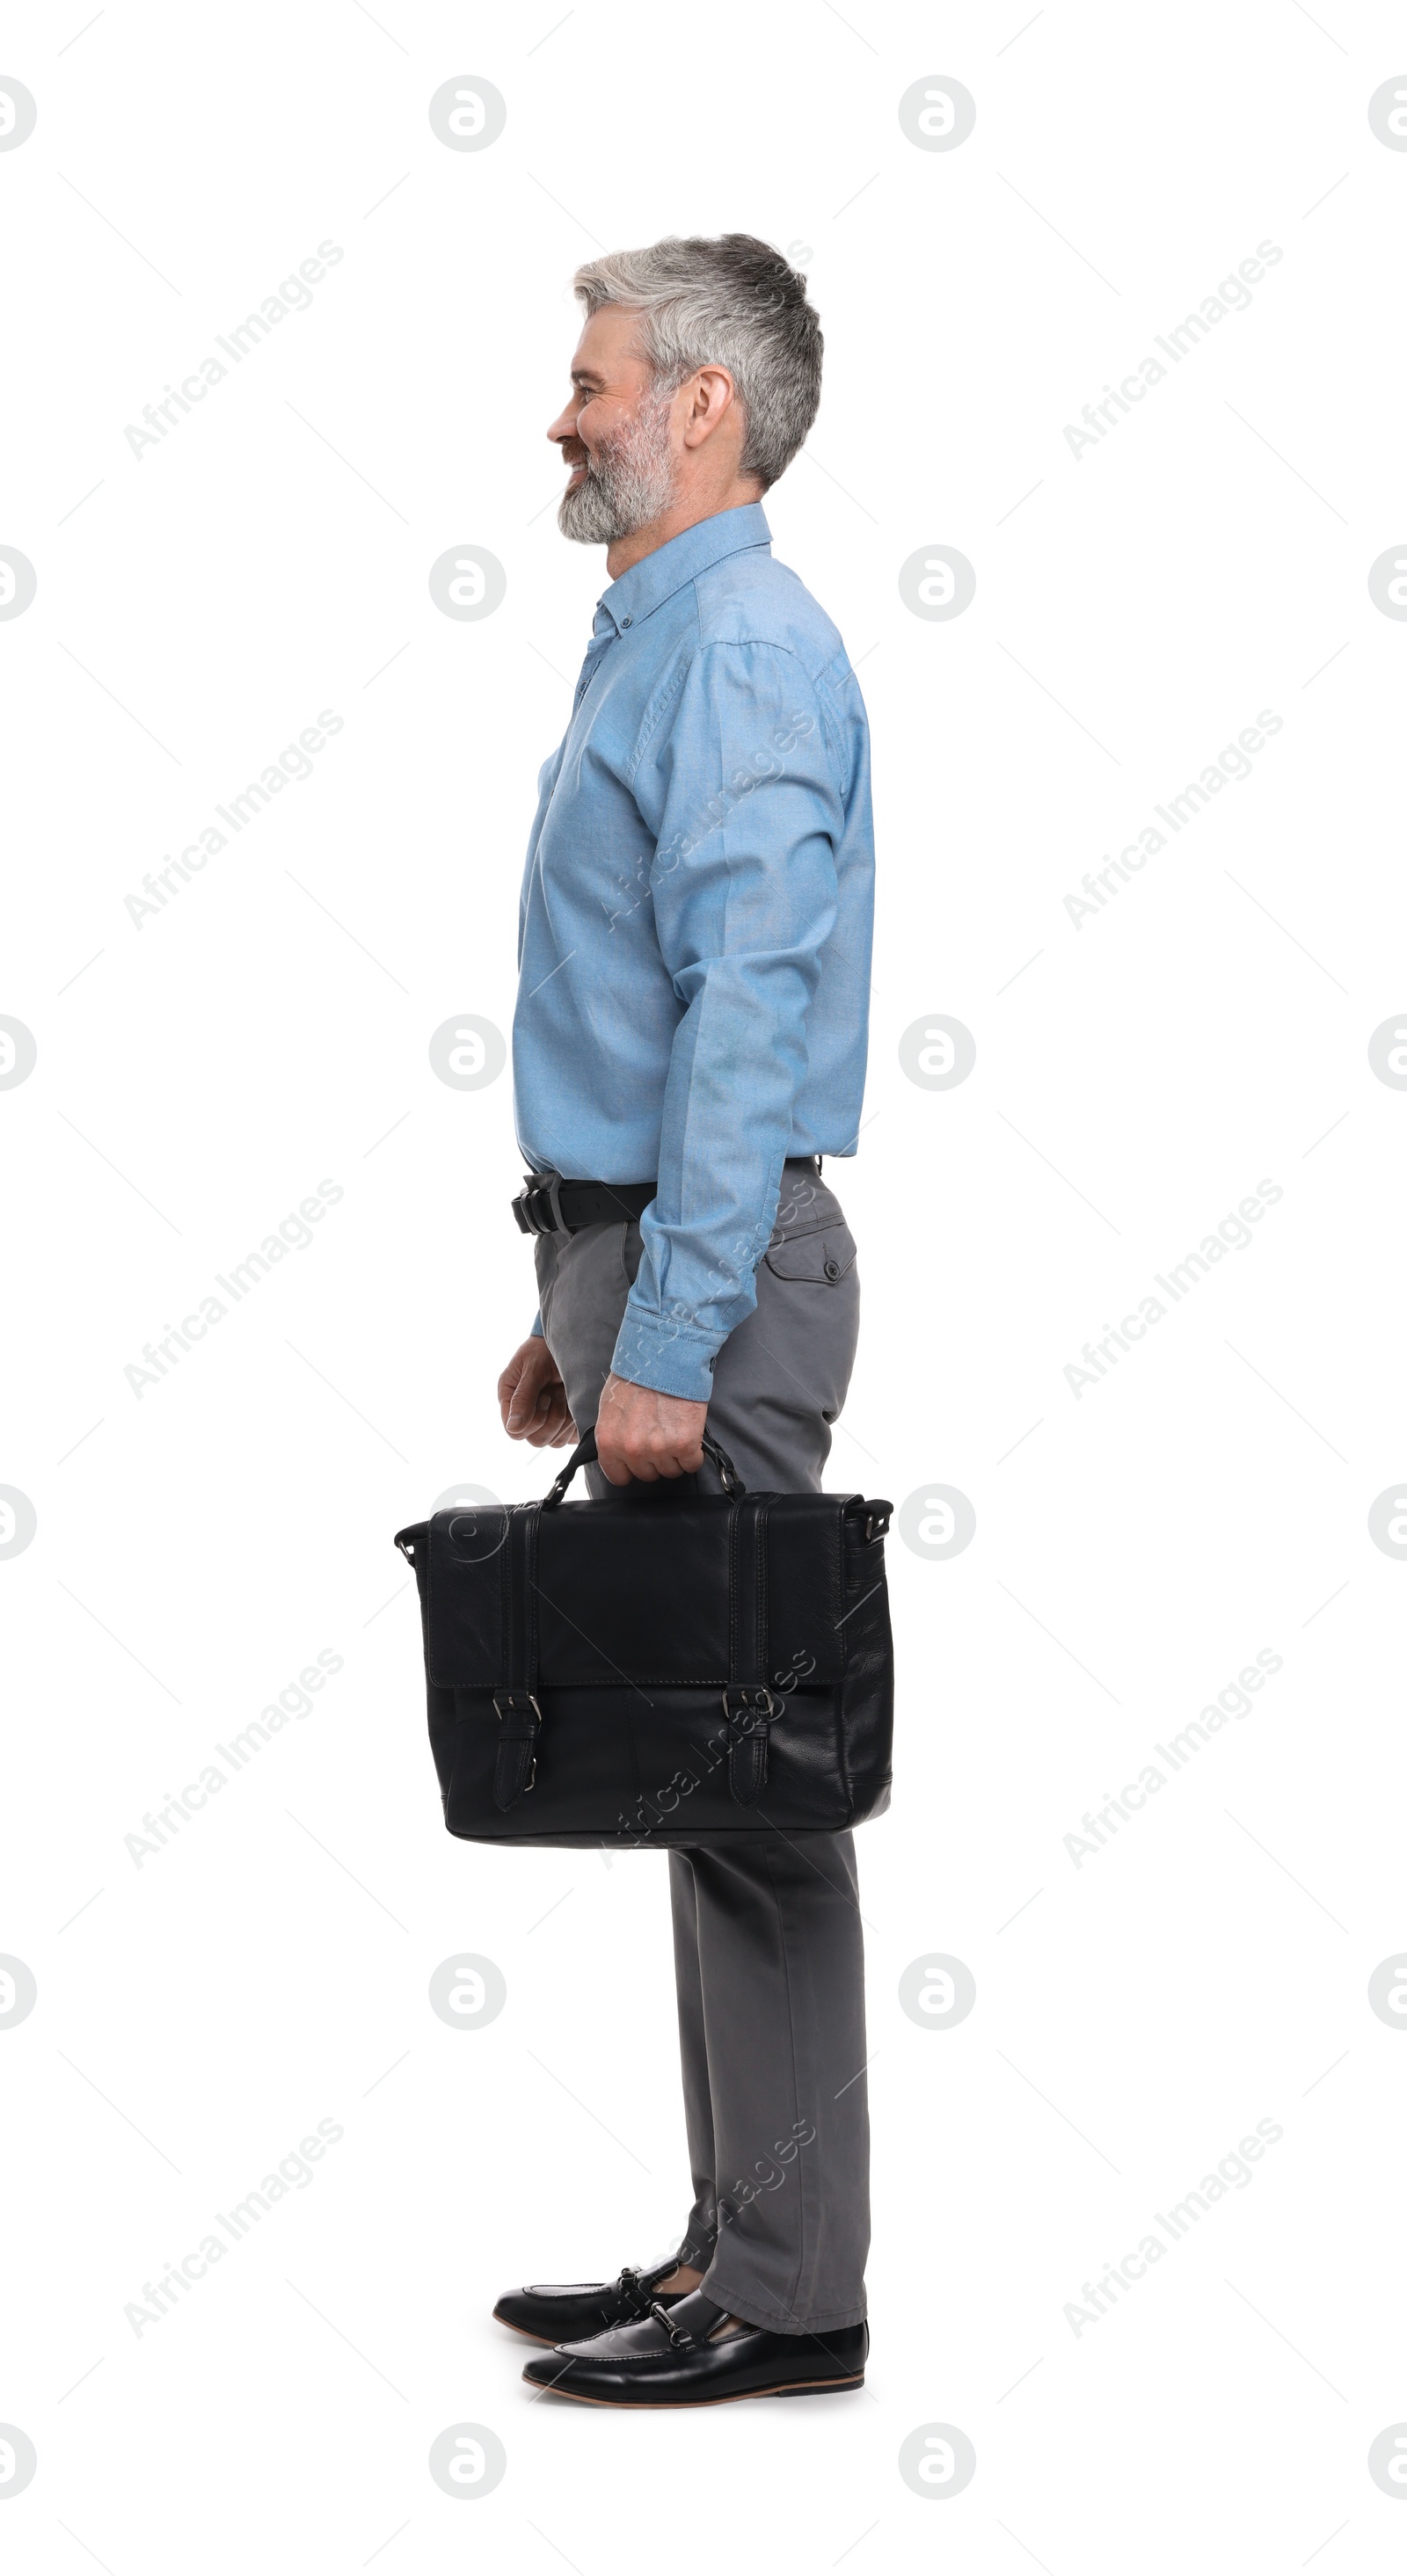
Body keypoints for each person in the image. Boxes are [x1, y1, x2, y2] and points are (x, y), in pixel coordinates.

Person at [494, 235, 876, 2407]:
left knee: (754, 1794)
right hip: (647, 1260)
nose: (561, 414)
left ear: (701, 405)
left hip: (704, 1275)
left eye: (591, 377)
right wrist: (583, 1300)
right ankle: (735, 2243)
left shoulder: (729, 648)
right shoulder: (663, 637)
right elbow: (653, 1006)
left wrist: (668, 1321)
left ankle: (789, 2296)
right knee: (696, 1767)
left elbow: (748, 1015)